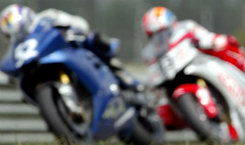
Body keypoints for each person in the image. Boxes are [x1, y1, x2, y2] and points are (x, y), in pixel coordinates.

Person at [0, 4, 143, 90]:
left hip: (69, 47)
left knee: (92, 39)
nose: (20, 36)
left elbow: (79, 23)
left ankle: (118, 69)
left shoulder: (47, 16)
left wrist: (71, 29)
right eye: (14, 35)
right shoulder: (20, 50)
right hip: (46, 63)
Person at [141, 6, 245, 72]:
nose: (160, 38)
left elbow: (210, 38)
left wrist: (211, 42)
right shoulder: (156, 54)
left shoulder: (187, 28)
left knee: (227, 48)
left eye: (163, 33)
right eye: (154, 36)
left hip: (207, 63)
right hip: (181, 77)